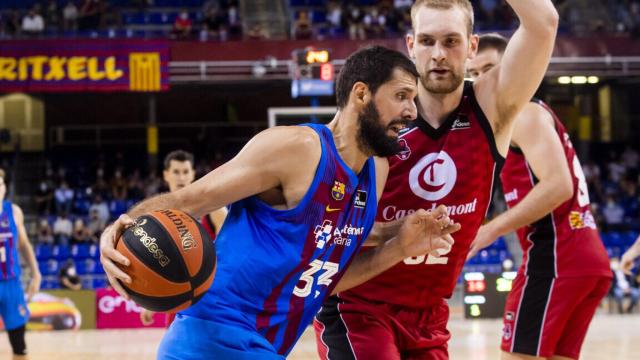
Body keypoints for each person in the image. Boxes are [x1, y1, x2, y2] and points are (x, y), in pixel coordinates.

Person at [100, 45, 460, 358]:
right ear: (361, 94)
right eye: (402, 96)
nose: (412, 112)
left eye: (414, 100)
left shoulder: (376, 171)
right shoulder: (296, 149)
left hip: (264, 346)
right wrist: (118, 234)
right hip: (211, 337)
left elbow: (326, 276)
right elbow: (189, 201)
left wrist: (399, 243)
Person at [314, 1, 558, 359]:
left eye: (451, 41)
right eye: (427, 41)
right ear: (411, 46)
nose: (438, 54)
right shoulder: (378, 117)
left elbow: (544, 22)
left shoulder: (493, 105)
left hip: (430, 315)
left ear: (472, 46)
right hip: (358, 306)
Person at [466, 33, 612, 360]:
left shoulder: (524, 113)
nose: (482, 80)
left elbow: (560, 185)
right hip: (583, 257)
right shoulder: (518, 118)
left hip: (556, 258)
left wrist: (491, 229)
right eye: (473, 74)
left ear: (514, 66)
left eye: (489, 68)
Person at [139, 150, 229, 327]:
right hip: (178, 299)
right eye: (176, 172)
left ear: (193, 174)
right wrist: (152, 302)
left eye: (186, 172)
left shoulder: (212, 208)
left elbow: (231, 249)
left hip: (208, 297)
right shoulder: (157, 216)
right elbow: (158, 264)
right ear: (166, 175)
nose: (181, 177)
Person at [0, 169, 42, 359]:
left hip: (11, 284)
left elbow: (24, 244)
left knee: (19, 347)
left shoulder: (14, 212)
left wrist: (36, 273)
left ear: (4, 188)